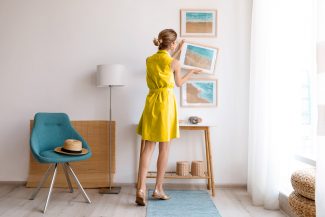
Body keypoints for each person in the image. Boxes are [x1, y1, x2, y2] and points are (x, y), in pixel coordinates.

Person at [136, 29, 202, 206]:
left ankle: (141, 188)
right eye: (176, 43)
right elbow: (178, 82)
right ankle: (158, 189)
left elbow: (164, 62)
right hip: (165, 104)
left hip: (151, 103)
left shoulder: (149, 60)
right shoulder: (175, 62)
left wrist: (178, 48)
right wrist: (191, 72)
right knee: (164, 148)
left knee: (148, 147)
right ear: (172, 44)